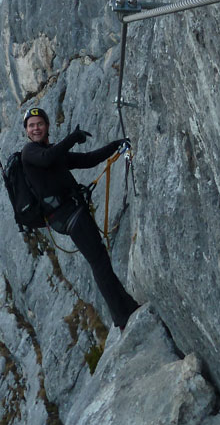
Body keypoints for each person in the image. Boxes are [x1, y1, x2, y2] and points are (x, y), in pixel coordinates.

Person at [21, 107, 139, 329]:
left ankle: (127, 307)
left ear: (47, 126)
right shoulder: (30, 152)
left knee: (100, 260)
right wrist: (72, 138)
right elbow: (46, 159)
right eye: (31, 125)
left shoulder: (52, 153)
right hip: (68, 216)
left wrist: (115, 145)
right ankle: (122, 315)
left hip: (72, 212)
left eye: (40, 124)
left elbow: (87, 160)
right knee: (99, 262)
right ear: (27, 131)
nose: (36, 128)